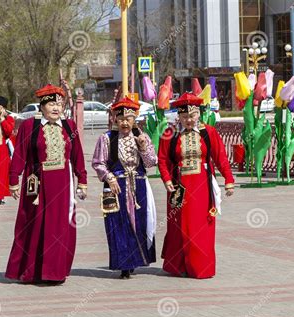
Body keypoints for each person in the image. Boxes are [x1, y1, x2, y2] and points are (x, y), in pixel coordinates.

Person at [5, 84, 87, 285]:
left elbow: (77, 155)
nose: (56, 108)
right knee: (33, 226)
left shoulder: (69, 126)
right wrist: (14, 179)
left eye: (59, 104)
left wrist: (82, 180)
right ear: (42, 107)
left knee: (59, 228)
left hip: (62, 184)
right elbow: (19, 154)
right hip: (37, 185)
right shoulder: (29, 126)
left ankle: (55, 272)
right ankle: (31, 271)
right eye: (51, 104)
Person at [158, 92, 235, 279]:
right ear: (179, 116)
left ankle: (201, 267)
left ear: (198, 114)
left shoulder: (208, 132)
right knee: (179, 227)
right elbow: (162, 159)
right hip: (178, 188)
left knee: (201, 229)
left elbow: (220, 157)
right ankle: (179, 266)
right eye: (184, 117)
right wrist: (167, 180)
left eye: (192, 116)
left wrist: (229, 180)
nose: (189, 120)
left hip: (203, 187)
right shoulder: (170, 133)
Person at [92, 96, 157, 279]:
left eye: (128, 119)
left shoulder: (141, 137)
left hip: (139, 185)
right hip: (117, 186)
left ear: (134, 119)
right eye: (120, 119)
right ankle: (123, 264)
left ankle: (136, 259)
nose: (124, 123)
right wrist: (109, 178)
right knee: (119, 225)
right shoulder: (106, 139)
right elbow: (98, 163)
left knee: (139, 223)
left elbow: (152, 162)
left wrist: (144, 148)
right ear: (114, 119)